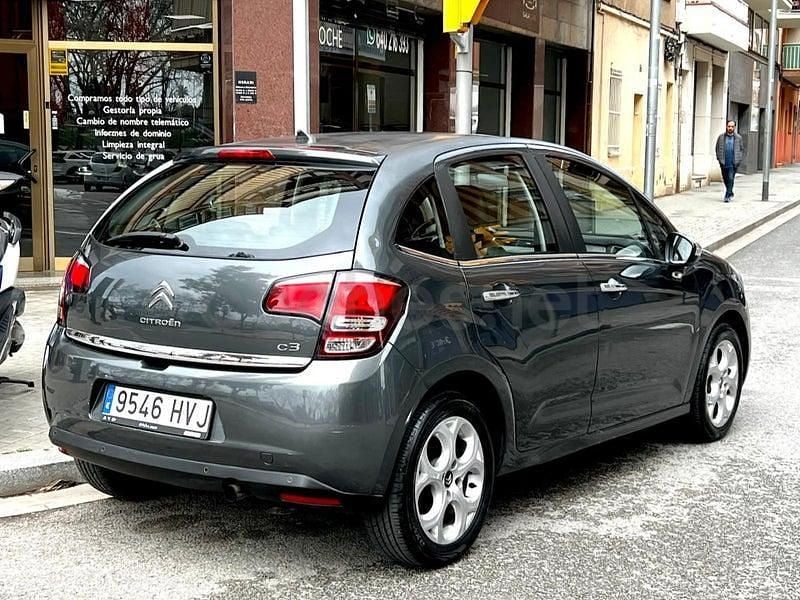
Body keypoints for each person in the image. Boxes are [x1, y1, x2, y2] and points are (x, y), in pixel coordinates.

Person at [715, 120, 745, 203]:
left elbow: (741, 149)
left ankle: (727, 195)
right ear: (726, 126)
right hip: (724, 162)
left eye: (732, 126)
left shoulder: (738, 138)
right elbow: (717, 148)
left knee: (731, 178)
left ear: (734, 127)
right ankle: (730, 191)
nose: (730, 128)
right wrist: (719, 158)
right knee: (725, 179)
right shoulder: (721, 137)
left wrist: (738, 160)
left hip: (733, 163)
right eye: (729, 126)